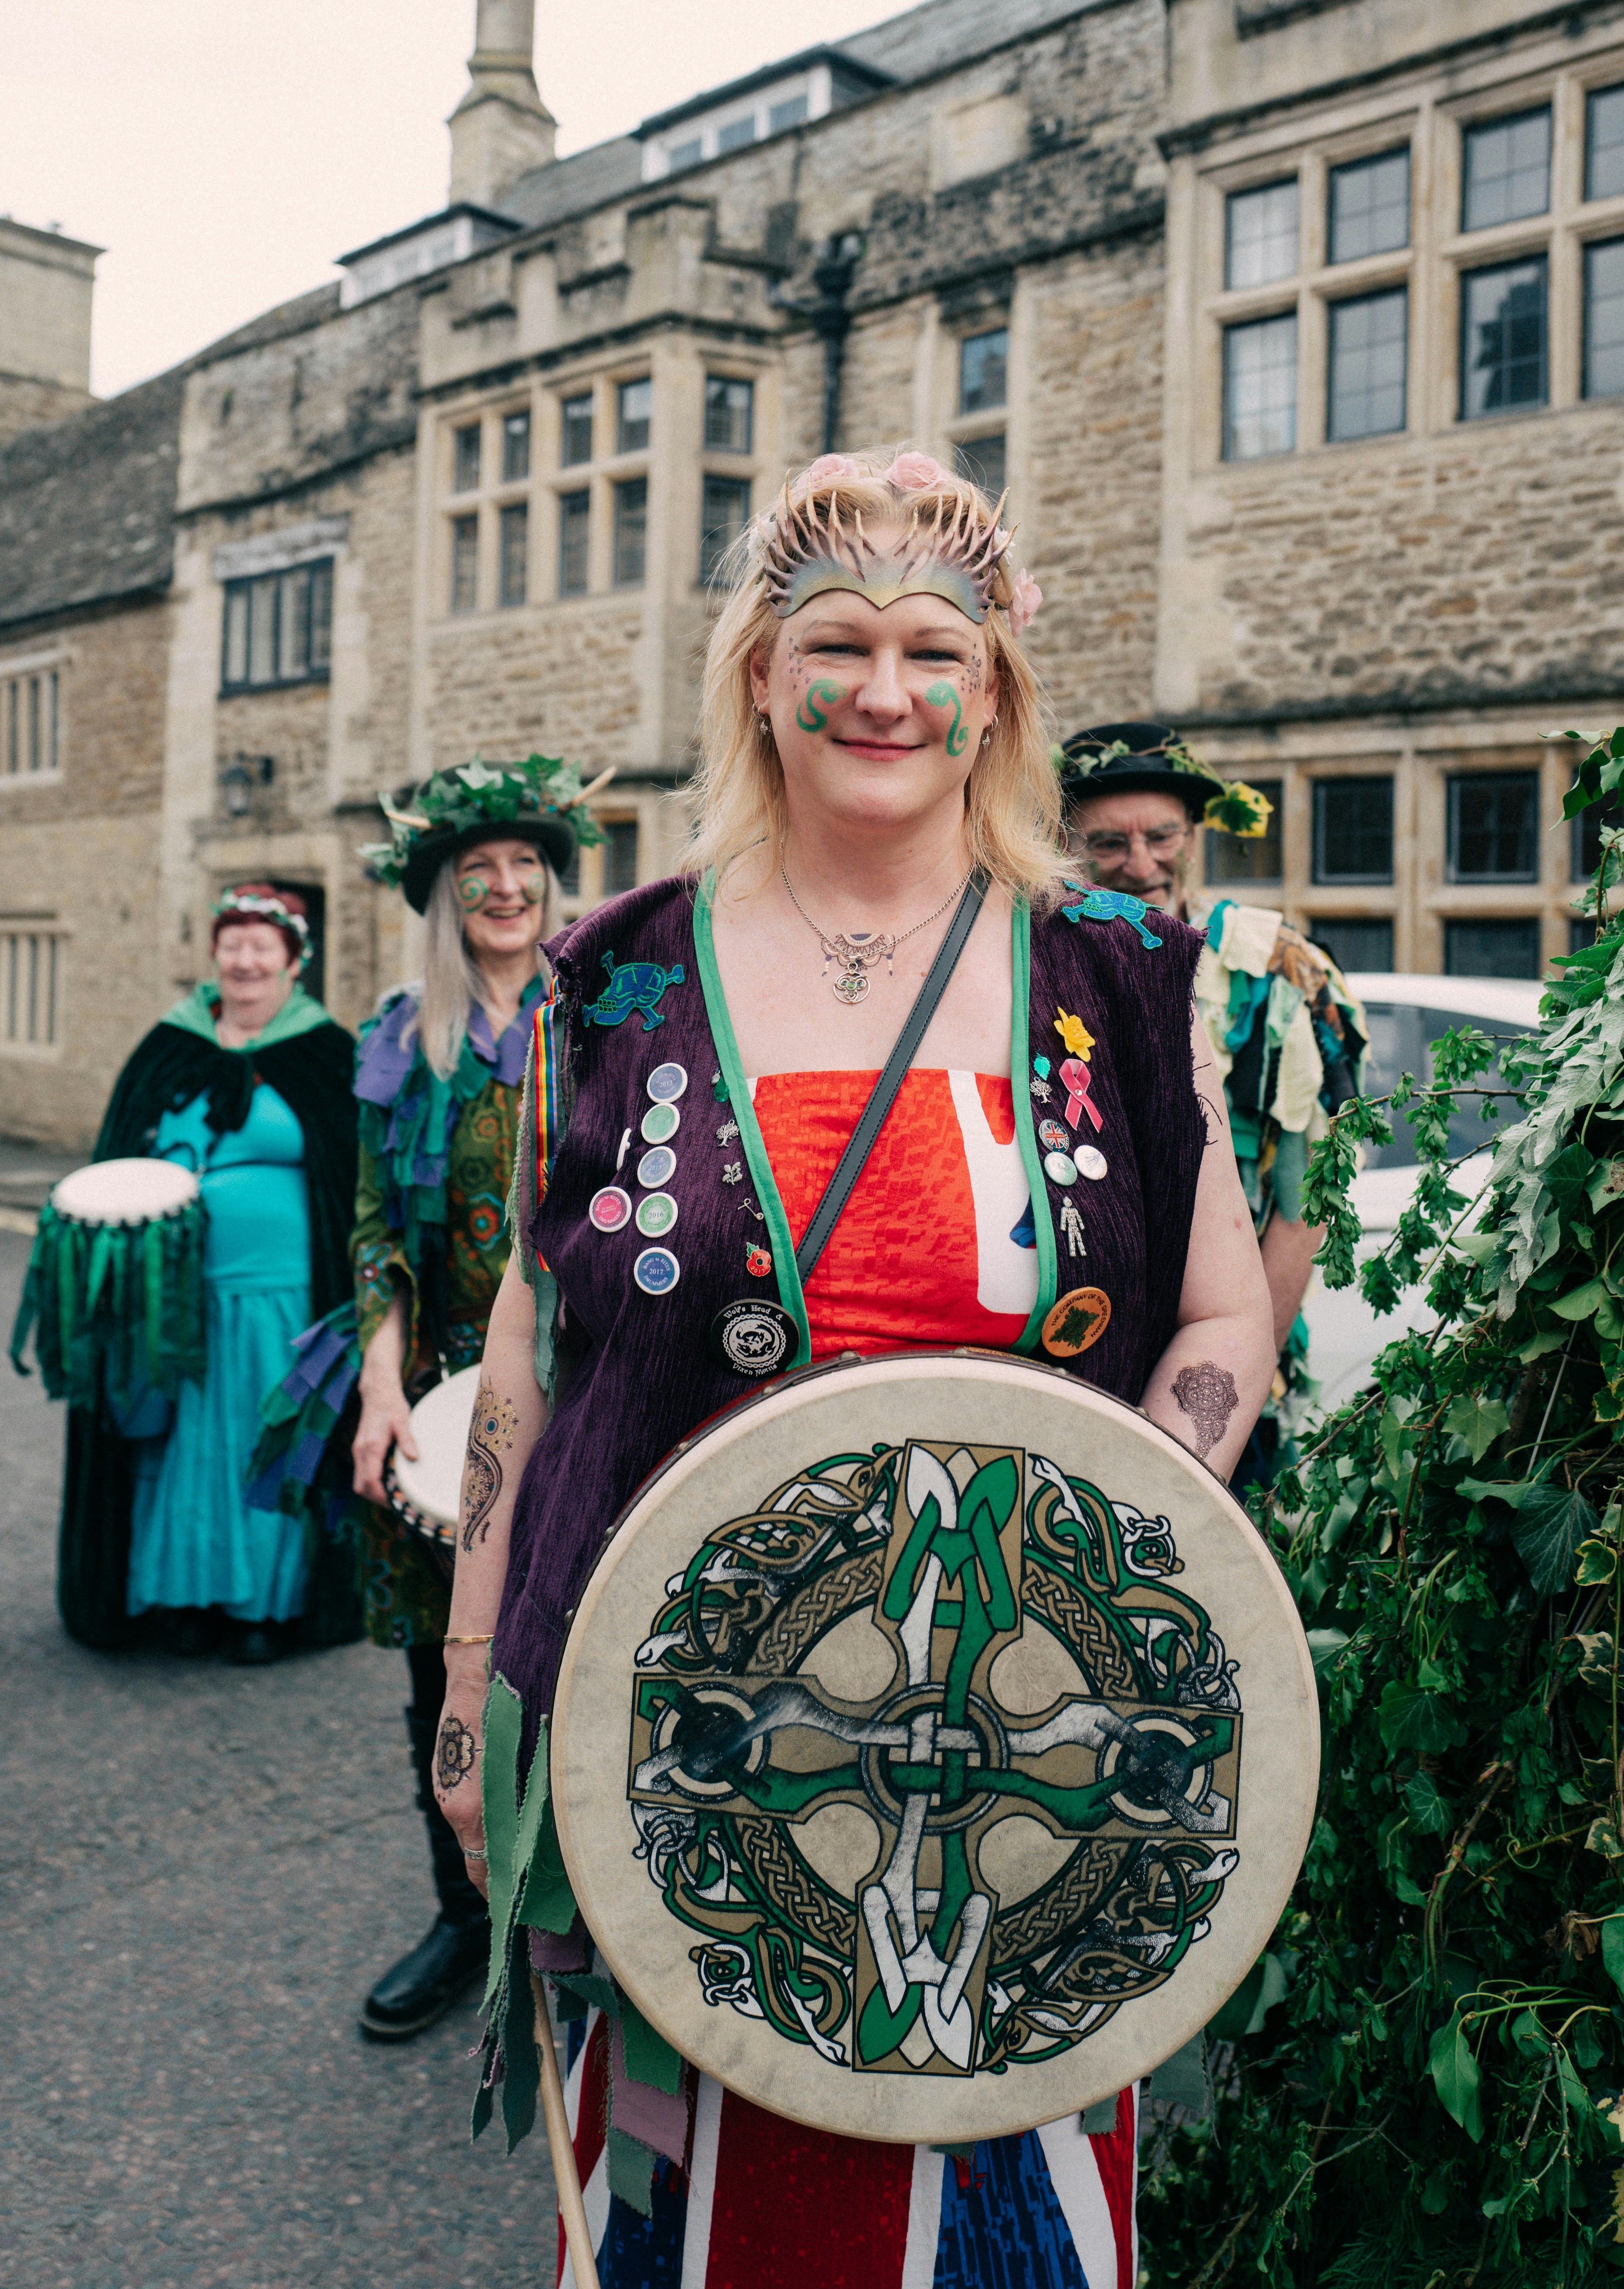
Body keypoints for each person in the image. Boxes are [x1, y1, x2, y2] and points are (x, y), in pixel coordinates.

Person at [432, 453, 1274, 2283]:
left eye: (932, 652)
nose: (886, 692)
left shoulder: (1120, 969)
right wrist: (469, 1671)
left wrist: (1118, 1564)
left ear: (993, 691)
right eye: (838, 644)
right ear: (760, 675)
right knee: (694, 2218)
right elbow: (526, 1335)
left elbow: (1224, 1319)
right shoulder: (613, 975)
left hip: (1019, 1757)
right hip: (683, 1742)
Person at [250, 758, 601, 2043]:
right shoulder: (403, 1039)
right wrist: (381, 1394)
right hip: (441, 1399)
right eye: (478, 873)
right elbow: (373, 1232)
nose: (505, 888)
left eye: (526, 868)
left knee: (581, 1656)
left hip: (583, 1386)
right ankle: (465, 1916)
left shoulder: (607, 1016)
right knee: (437, 1672)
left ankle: (583, 1912)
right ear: (446, 899)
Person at [53, 885, 359, 1661]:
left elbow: (355, 1176)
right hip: (174, 1292)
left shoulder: (324, 1052)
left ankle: (263, 1608)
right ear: (215, 954)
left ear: (295, 961)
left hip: (282, 1295)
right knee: (176, 1441)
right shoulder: (172, 1044)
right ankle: (182, 1596)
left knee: (265, 1443)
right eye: (233, 944)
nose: (245, 960)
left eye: (263, 946)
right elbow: (121, 1149)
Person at [1057, 725, 1366, 1438]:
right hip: (1074, 1373)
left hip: (1224, 1369)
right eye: (1109, 843)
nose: (1141, 865)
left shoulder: (1276, 968)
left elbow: (1308, 1196)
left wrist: (1240, 1376)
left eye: (1162, 837)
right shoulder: (1032, 963)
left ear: (1193, 837)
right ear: (1065, 843)